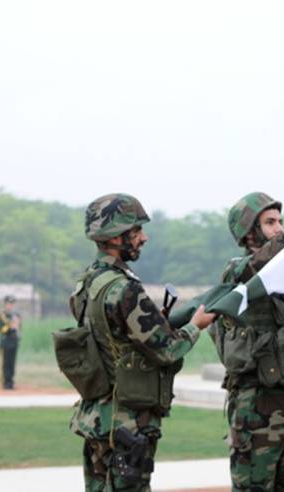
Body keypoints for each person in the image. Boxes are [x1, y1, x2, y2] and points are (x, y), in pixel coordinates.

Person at [70, 193, 215, 491]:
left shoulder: (87, 283)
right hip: (127, 425)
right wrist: (195, 327)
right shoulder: (125, 289)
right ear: (113, 236)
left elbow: (113, 338)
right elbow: (167, 351)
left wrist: (155, 321)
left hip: (97, 420)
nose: (143, 237)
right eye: (136, 231)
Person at [209, 186, 284, 491]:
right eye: (270, 223)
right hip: (257, 409)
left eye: (280, 221)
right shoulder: (239, 274)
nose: (278, 228)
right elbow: (272, 256)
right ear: (249, 232)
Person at [0, 295, 21, 390]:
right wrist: (10, 325)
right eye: (9, 304)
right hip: (6, 341)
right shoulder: (2, 315)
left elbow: (19, 327)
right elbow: (1, 329)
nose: (10, 306)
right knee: (6, 363)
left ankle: (11, 381)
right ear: (5, 304)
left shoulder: (15, 315)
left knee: (12, 363)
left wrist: (16, 325)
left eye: (12, 304)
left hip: (14, 341)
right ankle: (6, 382)